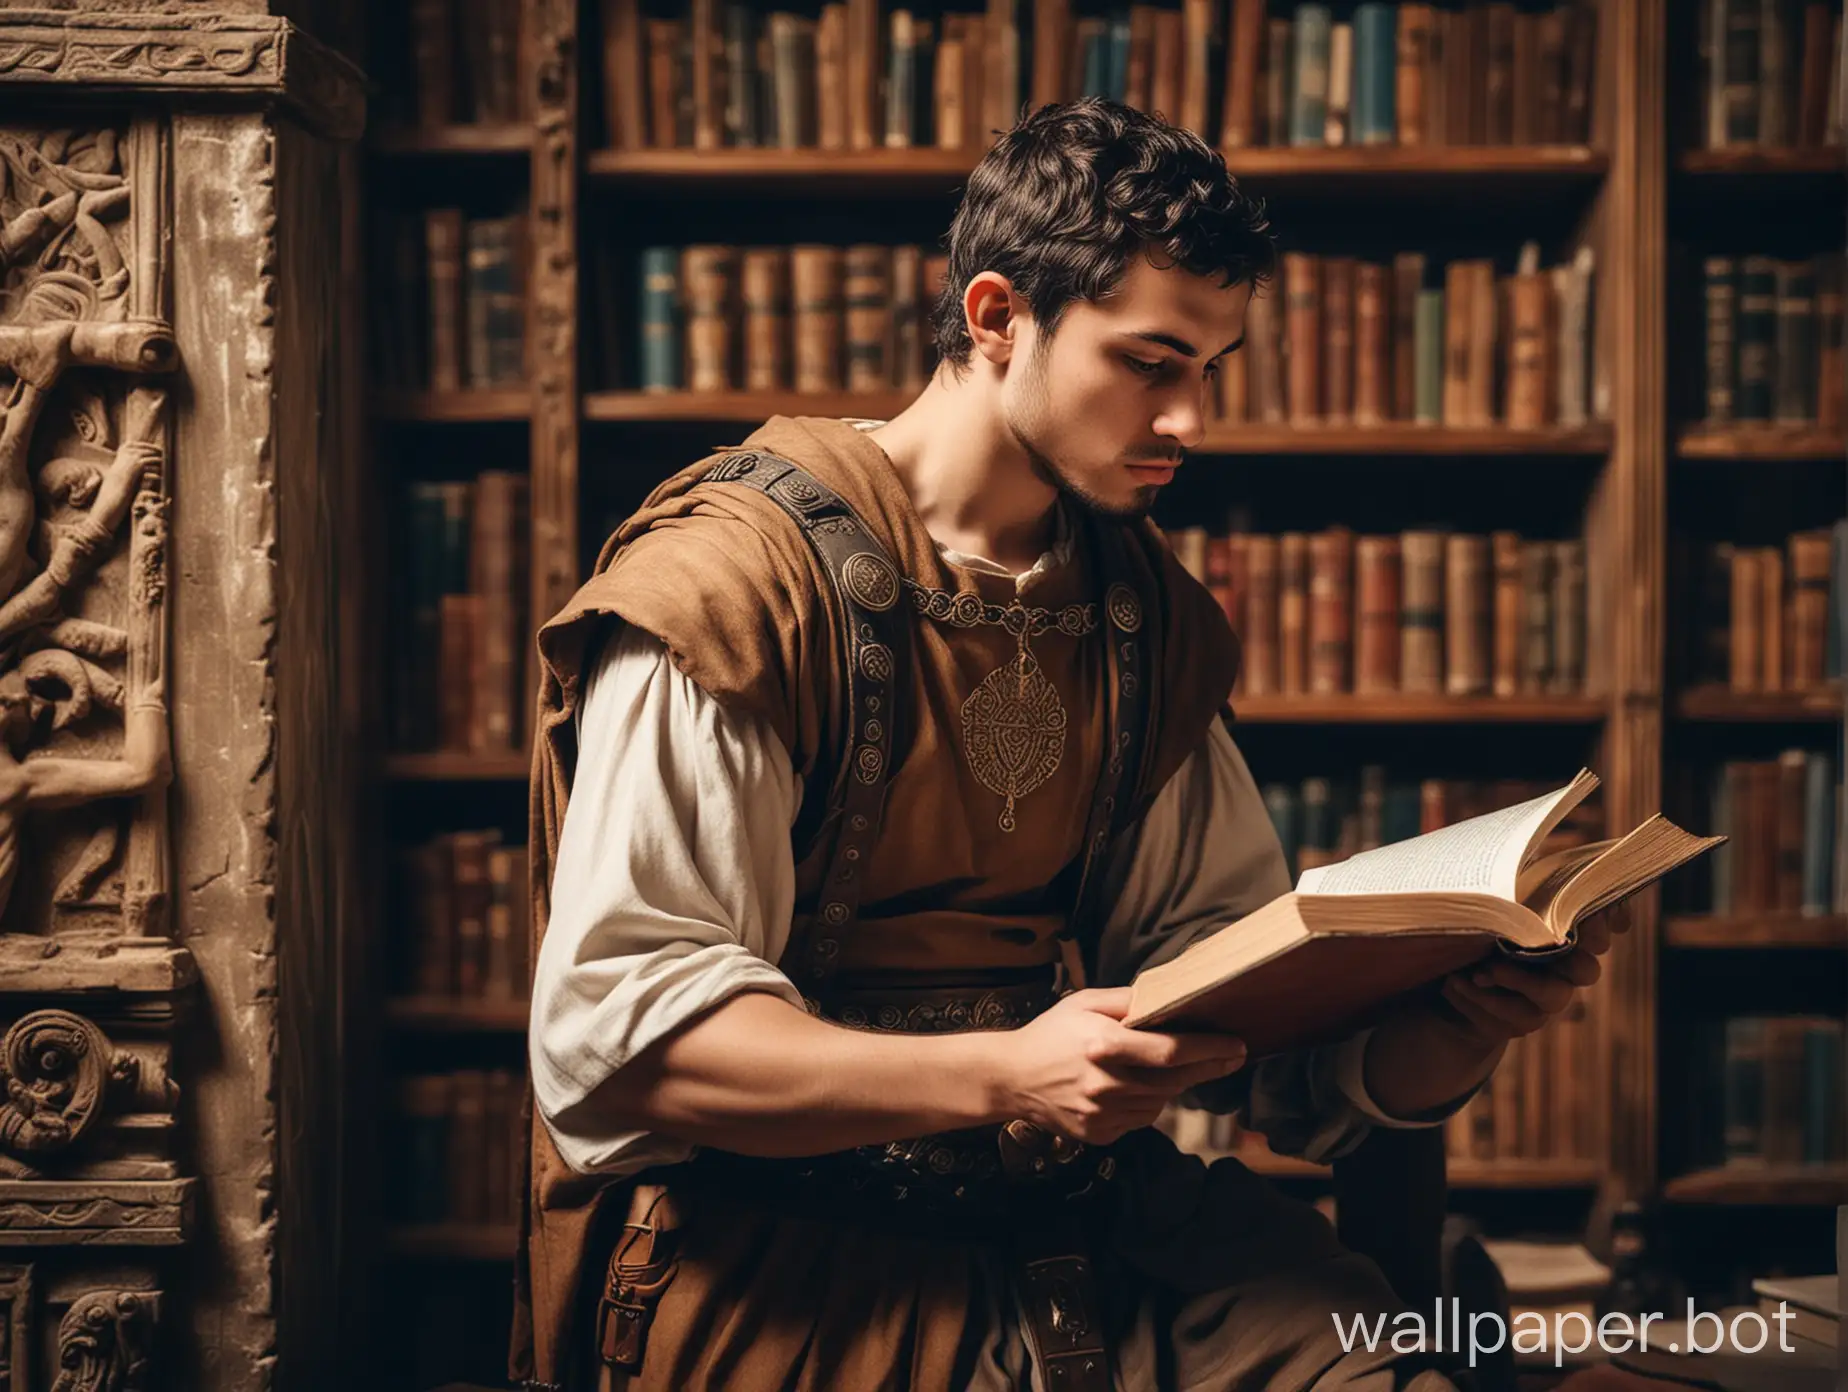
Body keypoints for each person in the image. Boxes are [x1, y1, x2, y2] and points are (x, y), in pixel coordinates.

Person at [512, 99, 1615, 1392]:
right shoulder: (734, 591)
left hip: (1095, 1227)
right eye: (1151, 362)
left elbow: (1257, 1044)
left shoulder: (1143, 615)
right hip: (784, 1263)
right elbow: (624, 1043)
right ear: (996, 317)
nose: (1190, 419)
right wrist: (1008, 1072)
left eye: (1212, 368)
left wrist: (1461, 1027)